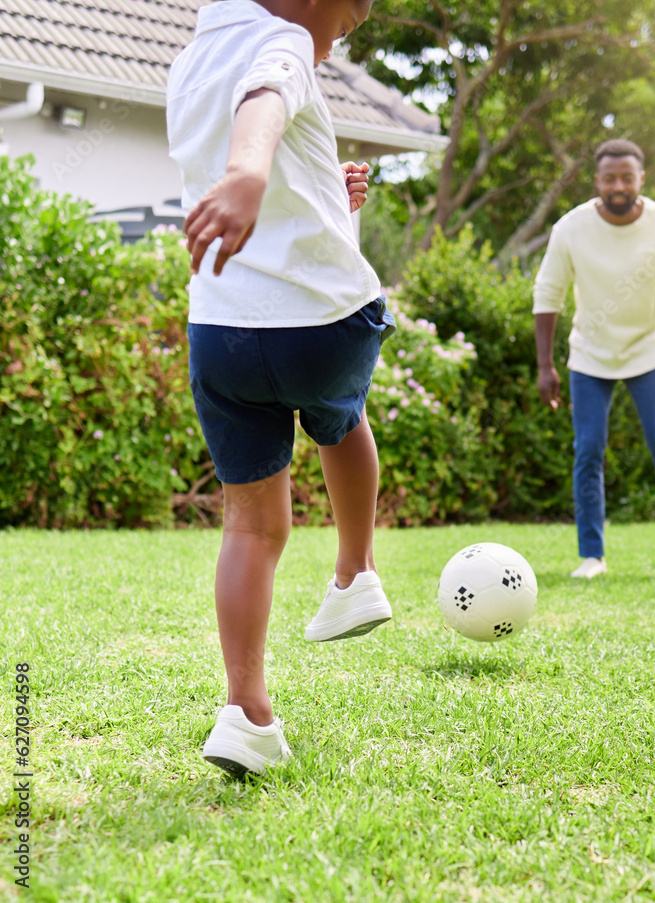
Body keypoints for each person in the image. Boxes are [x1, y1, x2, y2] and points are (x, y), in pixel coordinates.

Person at [167, 0, 392, 777]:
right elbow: (265, 101)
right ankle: (355, 571)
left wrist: (326, 195)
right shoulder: (285, 40)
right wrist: (247, 176)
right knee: (340, 416)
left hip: (222, 331)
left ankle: (245, 710)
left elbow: (263, 142)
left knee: (251, 527)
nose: (332, 46)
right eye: (344, 25)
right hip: (320, 327)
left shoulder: (191, 59)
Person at [533, 139, 655, 582]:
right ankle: (592, 556)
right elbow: (548, 294)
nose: (619, 185)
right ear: (597, 182)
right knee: (589, 449)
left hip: (648, 351)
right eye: (610, 178)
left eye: (627, 178)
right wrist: (545, 365)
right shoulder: (571, 228)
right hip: (590, 355)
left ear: (641, 180)